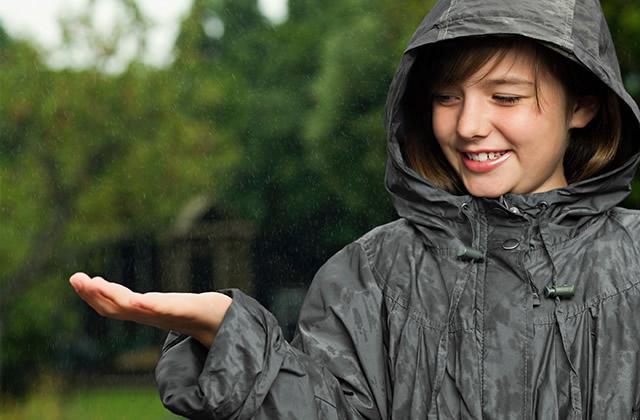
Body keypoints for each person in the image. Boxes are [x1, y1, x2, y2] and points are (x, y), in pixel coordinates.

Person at [70, 0, 640, 418]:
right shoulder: (371, 275)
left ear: (584, 105)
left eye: (506, 97)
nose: (467, 126)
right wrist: (226, 335)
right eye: (447, 97)